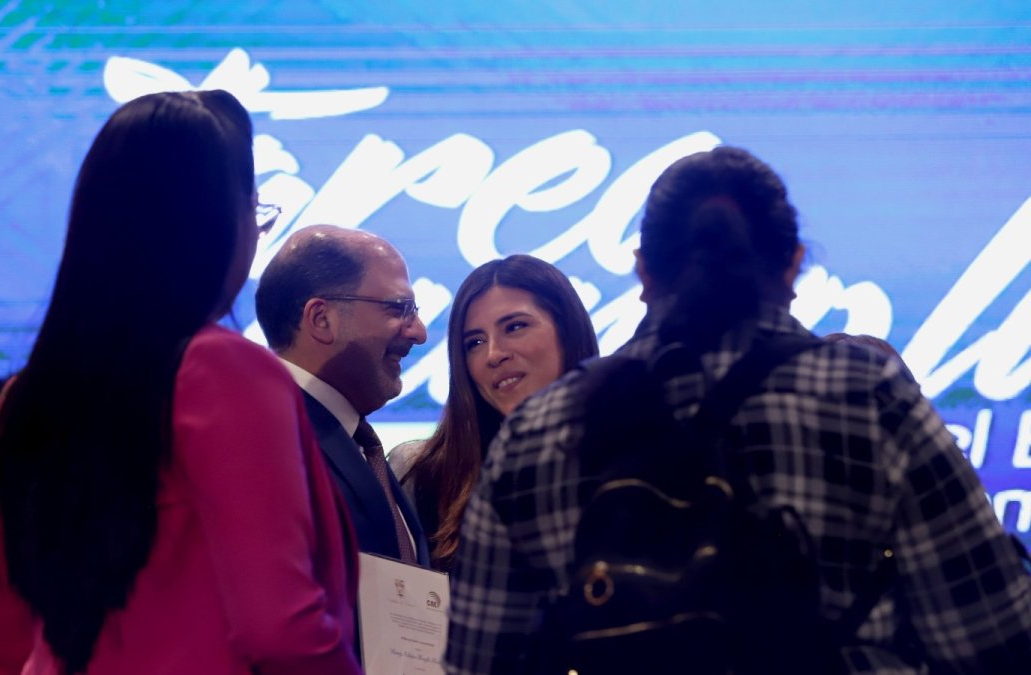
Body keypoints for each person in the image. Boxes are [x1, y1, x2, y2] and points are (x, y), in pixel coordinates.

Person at [445, 146, 1031, 674]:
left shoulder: (538, 430)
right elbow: (988, 641)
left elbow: (481, 661)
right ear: (794, 264)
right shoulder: (868, 396)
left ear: (644, 271)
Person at [0, 91, 361, 675]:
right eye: (253, 208)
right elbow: (280, 630)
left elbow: (6, 648)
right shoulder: (222, 370)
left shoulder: (22, 403)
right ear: (211, 224)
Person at [388, 254, 598, 572]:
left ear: (567, 330)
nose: (493, 354)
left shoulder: (644, 453)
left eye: (515, 327)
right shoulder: (423, 475)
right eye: (474, 342)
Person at [256, 224, 431, 567]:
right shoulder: (267, 441)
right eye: (399, 308)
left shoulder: (356, 441)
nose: (419, 333)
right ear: (321, 319)